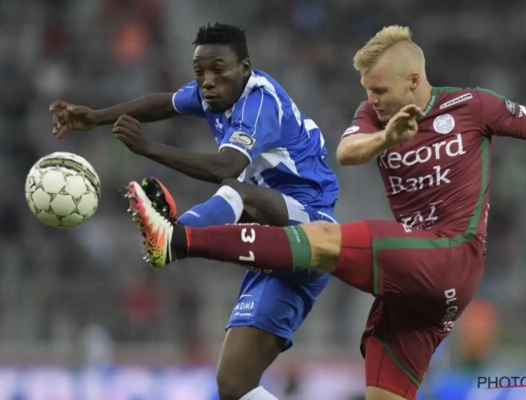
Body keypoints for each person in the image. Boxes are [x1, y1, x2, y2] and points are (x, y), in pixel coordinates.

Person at [124, 25, 526, 400]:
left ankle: (180, 239)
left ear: (413, 81)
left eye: (380, 90)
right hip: (413, 290)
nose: (373, 100)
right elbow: (348, 152)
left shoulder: (472, 106)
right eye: (368, 91)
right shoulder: (372, 118)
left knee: (325, 239)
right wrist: (387, 137)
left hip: (451, 254)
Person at [50, 23, 340, 400]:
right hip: (274, 246)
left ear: (245, 68)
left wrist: (148, 148)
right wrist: (97, 118)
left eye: (218, 69)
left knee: (236, 191)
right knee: (234, 385)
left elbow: (225, 167)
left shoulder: (259, 103)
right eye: (199, 71)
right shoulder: (213, 93)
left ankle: (176, 235)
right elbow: (164, 102)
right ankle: (173, 236)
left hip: (312, 226)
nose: (207, 81)